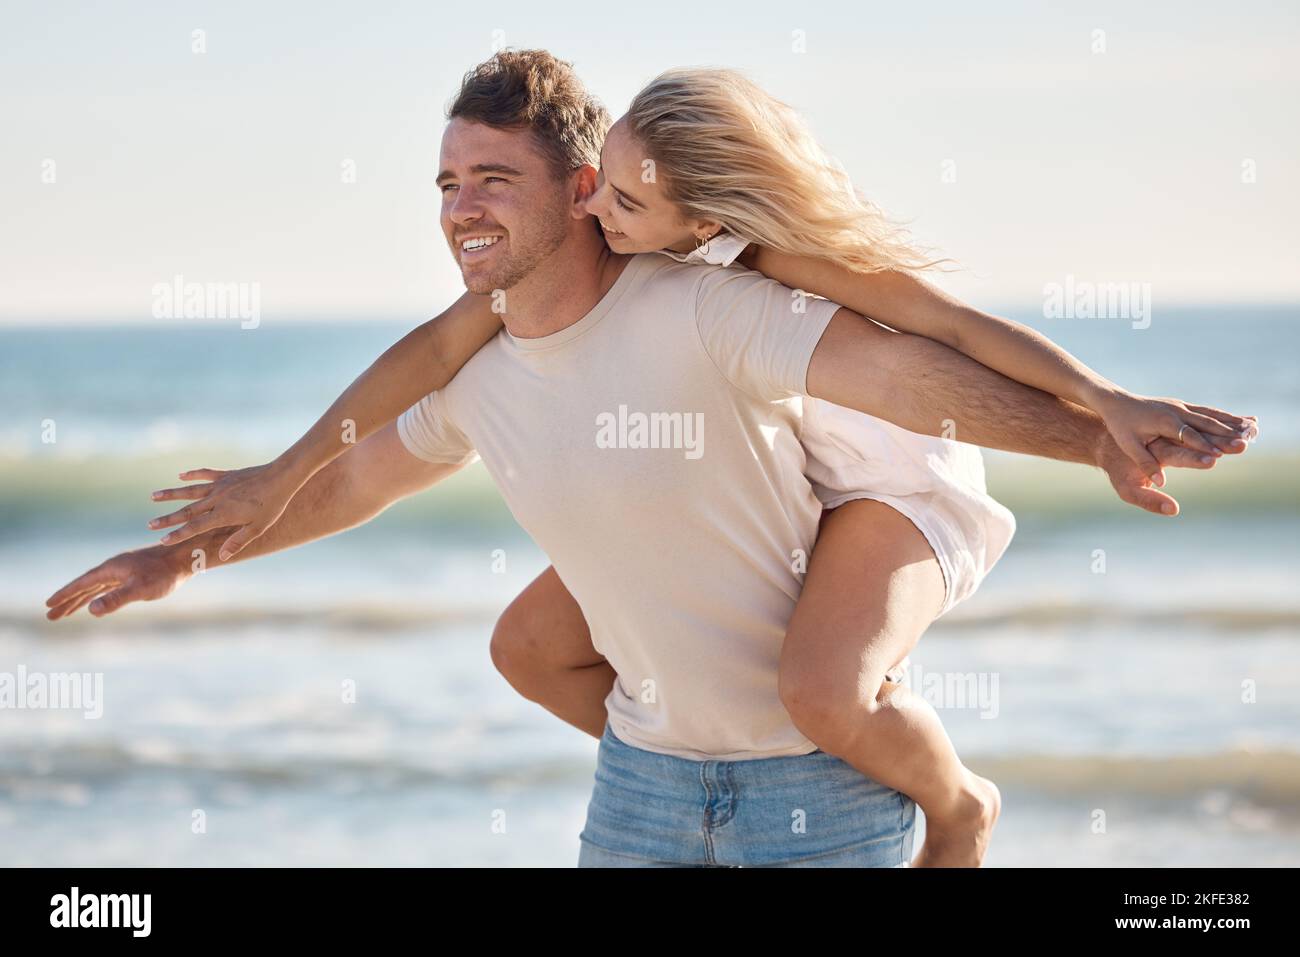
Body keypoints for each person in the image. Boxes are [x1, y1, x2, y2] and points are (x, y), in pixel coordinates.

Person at [45, 50, 1252, 868]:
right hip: (647, 799)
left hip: (837, 711)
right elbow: (359, 469)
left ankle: (950, 799)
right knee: (528, 644)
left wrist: (1097, 421)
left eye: (494, 181)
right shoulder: (483, 354)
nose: (461, 208)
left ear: (581, 192)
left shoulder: (718, 298)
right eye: (448, 184)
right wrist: (187, 555)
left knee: (821, 685)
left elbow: (920, 370)